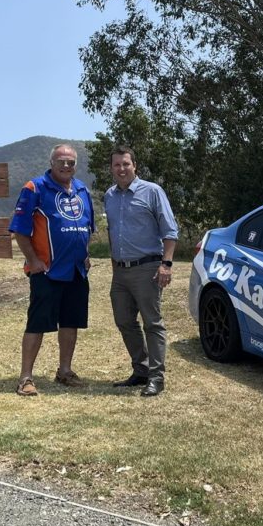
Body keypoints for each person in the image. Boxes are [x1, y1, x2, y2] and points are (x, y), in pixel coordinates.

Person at [8, 143, 94, 396]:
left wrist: (86, 253)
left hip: (76, 271)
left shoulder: (82, 190)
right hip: (47, 271)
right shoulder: (34, 188)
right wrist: (33, 261)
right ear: (52, 163)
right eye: (61, 161)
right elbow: (20, 230)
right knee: (37, 324)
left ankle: (64, 371)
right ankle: (25, 377)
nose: (66, 165)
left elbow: (87, 228)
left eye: (71, 162)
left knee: (71, 322)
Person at [104, 146, 179, 397]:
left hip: (147, 268)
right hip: (120, 271)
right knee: (124, 321)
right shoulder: (110, 196)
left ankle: (157, 377)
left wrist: (166, 264)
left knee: (152, 323)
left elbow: (170, 231)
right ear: (111, 168)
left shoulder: (153, 192)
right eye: (117, 165)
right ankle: (141, 369)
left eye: (126, 164)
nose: (121, 169)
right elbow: (113, 231)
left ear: (134, 165)